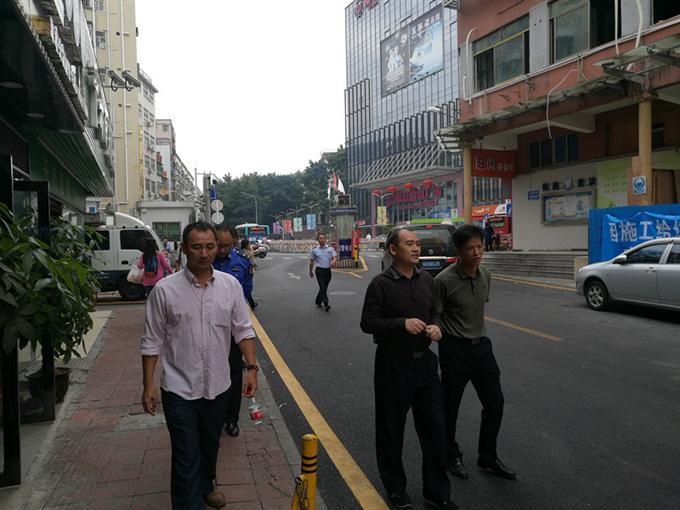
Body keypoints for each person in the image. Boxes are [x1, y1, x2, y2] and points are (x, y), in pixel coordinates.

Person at [141, 221, 259, 509]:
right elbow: (152, 341)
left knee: (210, 444)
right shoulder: (165, 291)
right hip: (179, 388)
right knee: (185, 454)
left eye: (209, 247)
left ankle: (206, 484)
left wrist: (252, 368)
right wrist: (148, 385)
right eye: (196, 247)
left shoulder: (230, 286)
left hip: (218, 385)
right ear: (184, 248)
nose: (204, 254)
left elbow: (243, 330)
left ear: (217, 248)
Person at [360, 227, 456, 510]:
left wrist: (436, 326)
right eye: (410, 244)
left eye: (417, 244)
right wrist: (401, 323)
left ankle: (437, 493)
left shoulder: (426, 279)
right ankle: (395, 489)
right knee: (391, 430)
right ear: (393, 250)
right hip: (393, 364)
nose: (416, 248)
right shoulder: (380, 284)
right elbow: (367, 322)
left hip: (425, 364)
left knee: (435, 429)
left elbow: (436, 310)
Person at [434, 224, 516, 481]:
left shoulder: (485, 274)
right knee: (450, 406)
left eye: (480, 247)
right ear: (459, 251)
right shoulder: (443, 281)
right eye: (470, 248)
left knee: (495, 402)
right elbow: (435, 313)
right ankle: (450, 455)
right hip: (454, 349)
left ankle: (488, 456)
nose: (477, 252)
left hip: (482, 347)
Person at [213, 225, 256, 438]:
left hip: (232, 329)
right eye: (218, 245)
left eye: (226, 246)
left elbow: (247, 290)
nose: (221, 250)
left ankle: (231, 419)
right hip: (209, 327)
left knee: (234, 374)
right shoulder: (204, 260)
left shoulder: (242, 262)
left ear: (234, 243)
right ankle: (214, 416)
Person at [309, 233, 336, 312]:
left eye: (323, 238)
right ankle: (326, 304)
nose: (322, 240)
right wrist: (310, 271)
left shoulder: (330, 249)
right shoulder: (314, 250)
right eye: (320, 238)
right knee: (323, 287)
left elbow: (334, 257)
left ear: (325, 239)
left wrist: (333, 262)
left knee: (324, 288)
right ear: (318, 240)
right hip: (319, 271)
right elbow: (311, 261)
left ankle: (318, 301)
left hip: (328, 271)